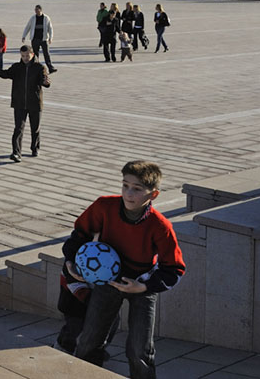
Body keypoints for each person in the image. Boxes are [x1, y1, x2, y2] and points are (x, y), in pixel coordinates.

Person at [65, 161, 185, 378]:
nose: (128, 193)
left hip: (142, 286)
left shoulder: (161, 226)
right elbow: (80, 234)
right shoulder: (104, 206)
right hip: (107, 282)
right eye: (125, 185)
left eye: (137, 189)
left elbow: (174, 269)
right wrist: (71, 260)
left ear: (153, 195)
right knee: (89, 342)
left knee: (140, 351)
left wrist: (144, 287)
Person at [0, 44, 50, 162]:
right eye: (23, 56)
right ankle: (16, 153)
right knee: (18, 128)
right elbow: (5, 74)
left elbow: (44, 81)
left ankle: (35, 148)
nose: (25, 58)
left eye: (27, 56)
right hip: (19, 103)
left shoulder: (39, 67)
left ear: (32, 54)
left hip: (35, 102)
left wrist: (46, 82)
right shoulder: (17, 67)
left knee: (35, 128)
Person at [21, 4, 58, 72]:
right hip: (35, 39)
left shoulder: (46, 18)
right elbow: (27, 27)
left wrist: (50, 37)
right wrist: (24, 36)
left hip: (44, 39)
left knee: (46, 54)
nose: (36, 11)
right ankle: (35, 68)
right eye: (35, 10)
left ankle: (50, 68)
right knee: (35, 54)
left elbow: (50, 28)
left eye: (37, 9)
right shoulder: (33, 18)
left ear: (40, 10)